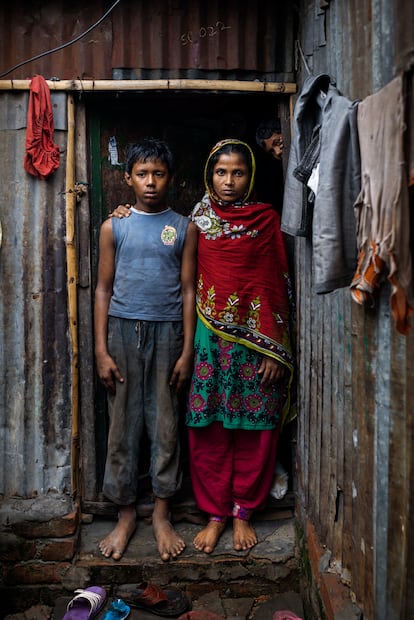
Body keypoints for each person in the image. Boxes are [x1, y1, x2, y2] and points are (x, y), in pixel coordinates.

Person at [187, 139, 295, 554]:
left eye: (238, 172)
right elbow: (186, 280)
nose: (229, 181)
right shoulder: (199, 219)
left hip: (258, 343)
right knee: (209, 428)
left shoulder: (265, 219)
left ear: (250, 176)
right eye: (221, 172)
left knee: (257, 430)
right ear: (209, 175)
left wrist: (275, 348)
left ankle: (243, 512)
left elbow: (276, 283)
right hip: (210, 339)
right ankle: (215, 514)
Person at [94, 138, 198, 562]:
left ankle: (160, 512)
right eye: (141, 174)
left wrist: (188, 350)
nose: (150, 182)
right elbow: (101, 289)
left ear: (169, 178)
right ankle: (124, 514)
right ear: (128, 178)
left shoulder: (184, 227)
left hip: (169, 332)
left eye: (158, 174)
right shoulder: (113, 226)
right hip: (121, 331)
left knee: (165, 422)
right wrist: (101, 349)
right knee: (122, 421)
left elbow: (190, 291)